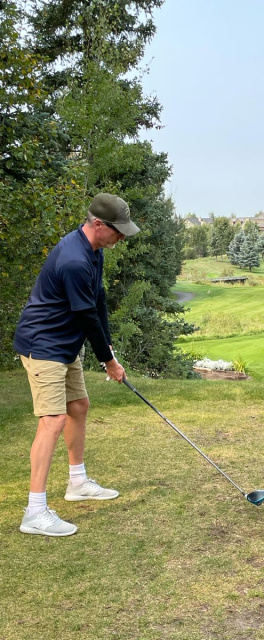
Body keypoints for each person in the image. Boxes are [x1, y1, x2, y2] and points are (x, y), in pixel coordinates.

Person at [14, 193, 140, 536]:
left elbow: (97, 300)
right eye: (118, 230)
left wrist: (108, 345)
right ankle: (35, 512)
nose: (122, 237)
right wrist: (108, 362)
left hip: (65, 344)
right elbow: (86, 316)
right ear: (98, 224)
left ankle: (77, 481)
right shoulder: (74, 260)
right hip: (43, 344)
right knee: (53, 420)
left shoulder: (94, 251)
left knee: (78, 406)